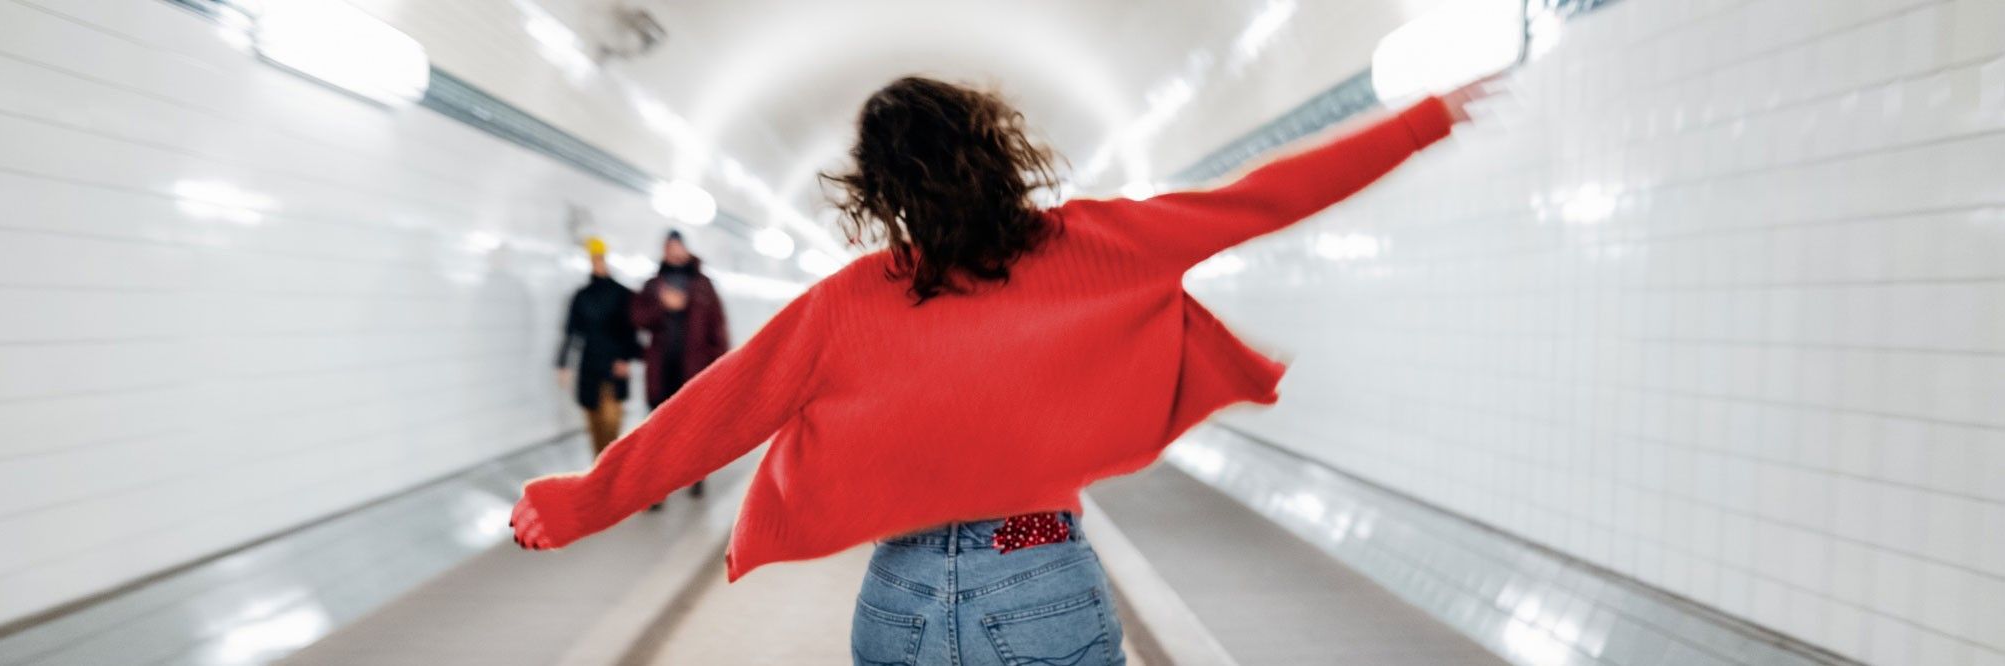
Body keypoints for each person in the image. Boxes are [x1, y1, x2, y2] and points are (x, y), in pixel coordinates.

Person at [512, 76, 1491, 665]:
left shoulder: (850, 299)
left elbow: (715, 414)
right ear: (997, 151)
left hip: (898, 584)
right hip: (1036, 561)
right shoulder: (1097, 242)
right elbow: (1261, 199)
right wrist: (1420, 121)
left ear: (879, 190)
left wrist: (578, 503)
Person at [631, 230, 728, 503]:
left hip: (694, 371)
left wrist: (720, 368)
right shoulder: (653, 286)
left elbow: (717, 329)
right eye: (668, 246)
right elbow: (637, 317)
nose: (673, 251)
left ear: (684, 249)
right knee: (658, 432)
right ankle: (657, 489)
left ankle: (695, 477)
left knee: (693, 430)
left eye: (677, 246)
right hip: (662, 371)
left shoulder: (702, 286)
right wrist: (663, 307)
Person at [554, 237, 641, 459]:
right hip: (590, 368)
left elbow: (631, 332)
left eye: (600, 258)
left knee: (611, 426)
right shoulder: (582, 297)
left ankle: (610, 475)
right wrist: (563, 364)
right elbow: (571, 332)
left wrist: (626, 358)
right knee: (594, 427)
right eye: (594, 259)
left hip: (614, 366)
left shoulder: (623, 294)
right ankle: (600, 475)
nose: (597, 263)